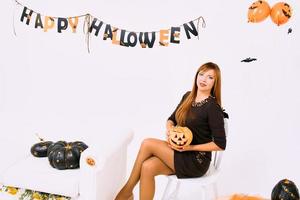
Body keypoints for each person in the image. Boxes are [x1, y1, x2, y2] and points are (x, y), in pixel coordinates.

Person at [115, 62, 227, 200]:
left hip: (196, 160)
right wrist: (170, 129)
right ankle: (128, 193)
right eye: (201, 74)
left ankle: (126, 191)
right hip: (180, 152)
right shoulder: (188, 96)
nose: (203, 79)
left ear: (215, 83)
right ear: (196, 76)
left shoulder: (212, 107)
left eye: (210, 77)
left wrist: (190, 147)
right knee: (147, 167)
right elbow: (171, 119)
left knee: (147, 143)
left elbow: (220, 145)